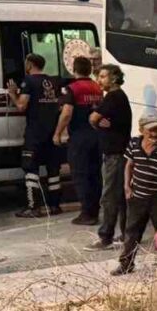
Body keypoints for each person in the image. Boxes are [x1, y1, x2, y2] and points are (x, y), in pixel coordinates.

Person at [113, 109, 157, 276]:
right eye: (150, 129)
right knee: (132, 232)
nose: (154, 133)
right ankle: (126, 264)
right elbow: (129, 165)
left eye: (156, 129)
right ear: (141, 129)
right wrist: (127, 187)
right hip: (138, 197)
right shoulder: (134, 144)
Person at [7, 54, 64, 218]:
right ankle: (54, 205)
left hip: (35, 133)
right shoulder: (53, 81)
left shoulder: (29, 81)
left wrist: (12, 93)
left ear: (30, 64)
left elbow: (21, 106)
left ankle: (33, 207)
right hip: (52, 131)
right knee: (53, 169)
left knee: (31, 168)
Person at [85, 64, 133, 250]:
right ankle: (126, 234)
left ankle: (105, 236)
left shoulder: (113, 97)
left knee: (110, 196)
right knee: (120, 196)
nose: (99, 80)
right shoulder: (118, 97)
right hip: (118, 152)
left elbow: (93, 118)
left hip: (115, 154)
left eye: (103, 76)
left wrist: (97, 123)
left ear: (114, 78)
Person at [55, 55, 104, 226]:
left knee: (80, 175)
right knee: (95, 174)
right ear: (90, 70)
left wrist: (57, 133)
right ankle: (95, 211)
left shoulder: (71, 89)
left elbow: (67, 113)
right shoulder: (97, 88)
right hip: (97, 136)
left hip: (79, 137)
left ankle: (86, 213)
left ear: (73, 69)